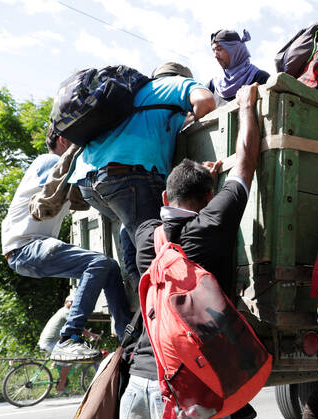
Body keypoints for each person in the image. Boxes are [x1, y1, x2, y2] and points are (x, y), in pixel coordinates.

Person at [110, 83, 261, 419]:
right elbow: (246, 162)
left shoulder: (145, 235)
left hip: (139, 386)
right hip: (187, 388)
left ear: (164, 197)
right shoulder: (212, 226)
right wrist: (247, 107)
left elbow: (174, 217)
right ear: (210, 197)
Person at [70, 62, 215, 277]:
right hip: (127, 175)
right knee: (156, 247)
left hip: (87, 182)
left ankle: (137, 288)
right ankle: (156, 301)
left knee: (136, 229)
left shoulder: (133, 93)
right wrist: (192, 119)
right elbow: (206, 102)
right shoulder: (177, 84)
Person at [2, 125, 130, 361]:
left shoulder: (62, 173)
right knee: (98, 263)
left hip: (29, 248)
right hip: (25, 247)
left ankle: (127, 339)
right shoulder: (48, 161)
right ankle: (69, 337)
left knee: (110, 266)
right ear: (63, 140)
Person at [38, 298, 101, 392]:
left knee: (69, 346)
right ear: (66, 303)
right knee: (69, 359)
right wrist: (92, 335)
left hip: (47, 341)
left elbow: (71, 333)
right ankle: (61, 387)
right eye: (71, 302)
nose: (73, 304)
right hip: (50, 343)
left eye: (74, 303)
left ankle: (56, 362)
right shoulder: (66, 312)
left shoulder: (61, 311)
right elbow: (78, 327)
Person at [207, 29, 270, 103]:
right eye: (213, 51)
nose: (215, 55)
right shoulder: (212, 86)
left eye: (219, 49)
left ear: (235, 50)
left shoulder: (261, 78)